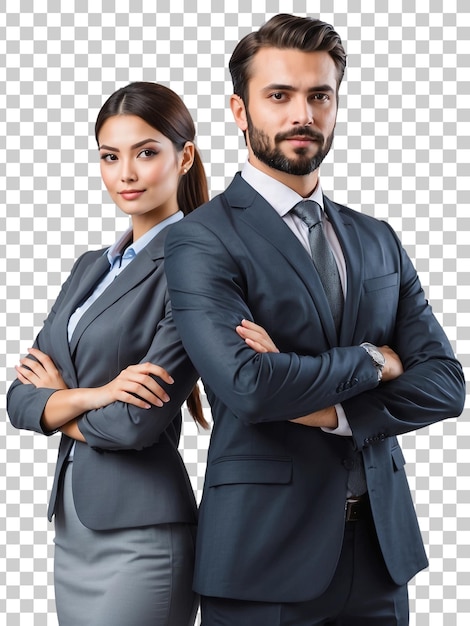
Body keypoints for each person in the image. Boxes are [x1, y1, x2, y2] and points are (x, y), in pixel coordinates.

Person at [164, 14, 466, 626]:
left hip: (381, 556)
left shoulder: (376, 238)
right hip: (262, 559)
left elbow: (446, 384)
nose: (302, 113)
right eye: (279, 95)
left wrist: (332, 412)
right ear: (240, 110)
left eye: (318, 95)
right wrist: (375, 361)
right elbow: (248, 387)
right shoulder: (201, 239)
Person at [7, 81, 209, 626]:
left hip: (141, 536)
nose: (126, 174)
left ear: (183, 157)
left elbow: (134, 425)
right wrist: (94, 395)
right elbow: (18, 397)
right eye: (110, 156)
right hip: (74, 527)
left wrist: (58, 404)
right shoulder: (89, 266)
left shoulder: (195, 264)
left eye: (146, 153)